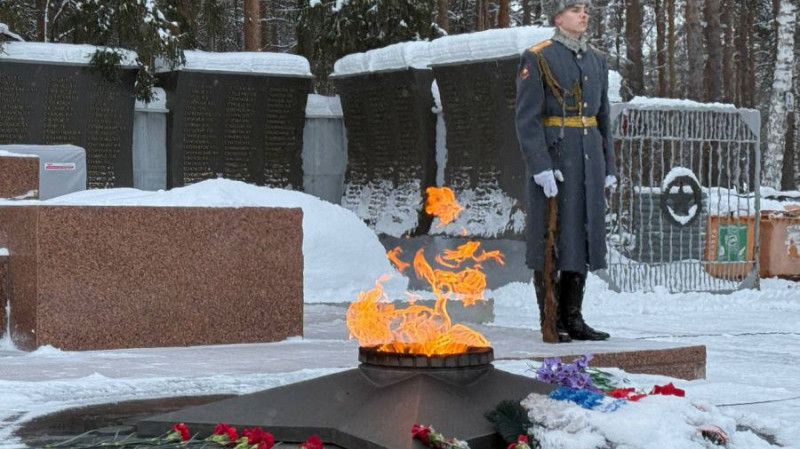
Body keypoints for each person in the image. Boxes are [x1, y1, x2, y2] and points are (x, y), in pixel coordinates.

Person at [515, 0, 616, 342]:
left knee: (581, 236)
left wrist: (609, 166)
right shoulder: (538, 56)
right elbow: (527, 120)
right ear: (558, 18)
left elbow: (603, 118)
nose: (584, 14)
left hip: (588, 159)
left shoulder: (597, 60)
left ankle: (573, 317)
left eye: (586, 9)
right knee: (551, 239)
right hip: (557, 160)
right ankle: (551, 317)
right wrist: (540, 166)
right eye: (575, 10)